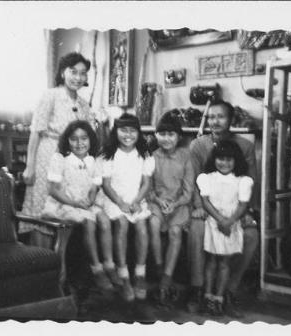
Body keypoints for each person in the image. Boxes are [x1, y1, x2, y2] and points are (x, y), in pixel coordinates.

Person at [187, 99, 259, 316]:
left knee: (252, 234)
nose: (215, 121)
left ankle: (228, 291)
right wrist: (199, 207)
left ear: (231, 119)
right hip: (207, 208)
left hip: (235, 209)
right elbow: (194, 181)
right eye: (211, 117)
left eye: (220, 116)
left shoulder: (245, 145)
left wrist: (247, 213)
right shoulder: (198, 145)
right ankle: (198, 289)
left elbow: (250, 181)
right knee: (197, 229)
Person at [20, 52, 97, 246]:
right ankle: (39, 261)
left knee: (64, 207)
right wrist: (30, 166)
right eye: (73, 72)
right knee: (42, 208)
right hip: (48, 154)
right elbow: (36, 132)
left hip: (70, 161)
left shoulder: (83, 105)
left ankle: (59, 264)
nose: (78, 78)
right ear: (63, 72)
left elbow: (88, 136)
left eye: (82, 73)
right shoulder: (51, 96)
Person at [40, 120, 121, 292]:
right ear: (67, 141)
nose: (79, 143)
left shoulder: (94, 160)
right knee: (88, 224)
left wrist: (90, 200)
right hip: (65, 202)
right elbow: (53, 190)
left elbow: (94, 187)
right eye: (74, 139)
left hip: (86, 203)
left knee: (104, 221)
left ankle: (109, 265)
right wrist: (75, 203)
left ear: (91, 140)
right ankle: (95, 268)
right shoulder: (60, 158)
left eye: (84, 138)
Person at [100, 113, 154, 302]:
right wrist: (121, 203)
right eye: (123, 130)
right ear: (116, 131)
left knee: (142, 228)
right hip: (114, 200)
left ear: (139, 133)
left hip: (136, 199)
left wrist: (137, 201)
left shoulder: (144, 155)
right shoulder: (108, 154)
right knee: (122, 224)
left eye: (132, 131)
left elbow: (146, 183)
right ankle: (123, 275)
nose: (128, 135)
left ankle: (140, 273)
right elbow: (106, 185)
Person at [196, 140, 253, 316]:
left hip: (232, 223)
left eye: (229, 160)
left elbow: (243, 205)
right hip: (214, 222)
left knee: (224, 262)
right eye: (221, 159)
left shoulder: (243, 180)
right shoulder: (207, 178)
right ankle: (207, 297)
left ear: (236, 161)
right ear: (214, 159)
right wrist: (220, 219)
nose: (224, 163)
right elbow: (205, 202)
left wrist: (229, 221)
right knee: (211, 261)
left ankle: (219, 298)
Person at [148, 113, 194, 307]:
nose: (166, 138)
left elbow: (188, 191)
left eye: (171, 134)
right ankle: (159, 268)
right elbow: (148, 188)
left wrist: (174, 204)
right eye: (162, 134)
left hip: (179, 204)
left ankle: (166, 280)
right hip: (157, 202)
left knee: (175, 232)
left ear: (179, 137)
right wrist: (158, 201)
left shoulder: (186, 156)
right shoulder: (152, 157)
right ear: (156, 136)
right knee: (153, 223)